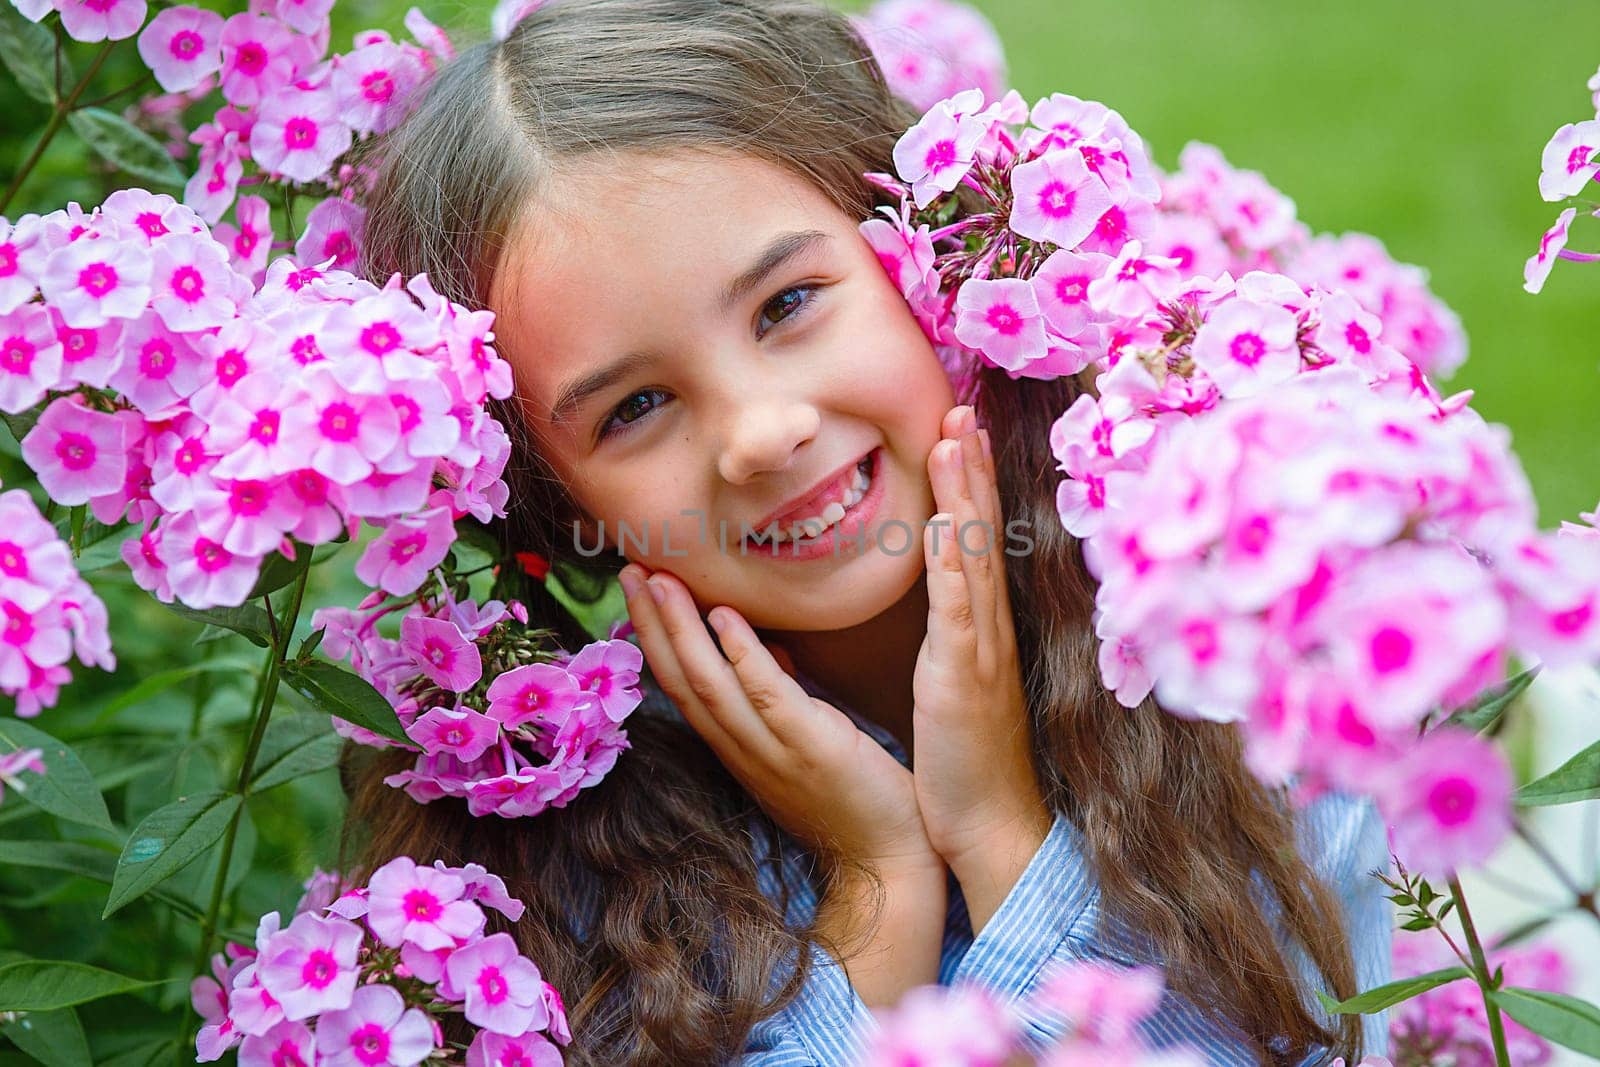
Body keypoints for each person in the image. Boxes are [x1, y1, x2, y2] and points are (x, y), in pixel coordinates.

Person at [344, 0, 1392, 1062]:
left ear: (924, 255)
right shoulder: (571, 866)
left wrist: (998, 830)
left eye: (786, 304)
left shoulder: (1237, 669)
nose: (759, 433)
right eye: (634, 409)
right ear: (556, 504)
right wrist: (879, 882)